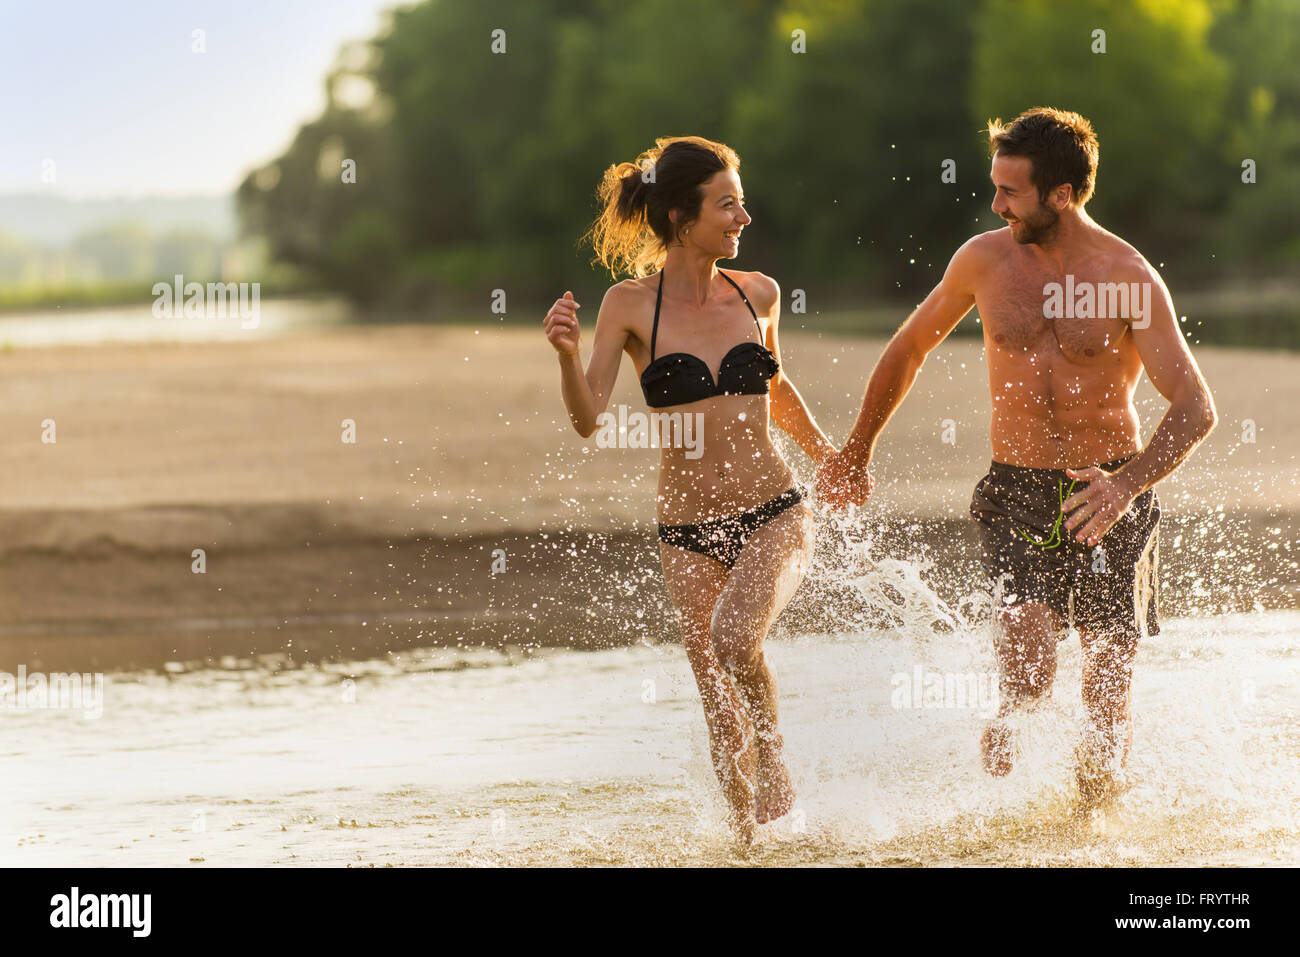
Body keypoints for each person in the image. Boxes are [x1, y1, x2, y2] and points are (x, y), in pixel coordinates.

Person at [816, 108, 1217, 805]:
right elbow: (910, 347)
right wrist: (857, 449)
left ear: (1061, 194)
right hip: (1017, 490)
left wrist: (1126, 485)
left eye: (1011, 192)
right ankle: (1014, 707)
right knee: (1032, 668)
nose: (996, 203)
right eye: (995, 187)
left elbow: (1195, 405)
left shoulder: (1128, 275)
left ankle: (1092, 823)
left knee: (1108, 681)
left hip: (1107, 491)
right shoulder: (983, 260)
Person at [544, 136, 836, 840]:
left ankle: (775, 756)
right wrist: (565, 354)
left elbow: (776, 385)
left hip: (774, 509)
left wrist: (829, 454)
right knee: (716, 704)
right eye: (727, 204)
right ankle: (743, 846)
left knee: (736, 640)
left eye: (741, 201)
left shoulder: (757, 292)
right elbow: (588, 419)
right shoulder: (628, 305)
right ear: (682, 217)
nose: (743, 216)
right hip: (685, 530)